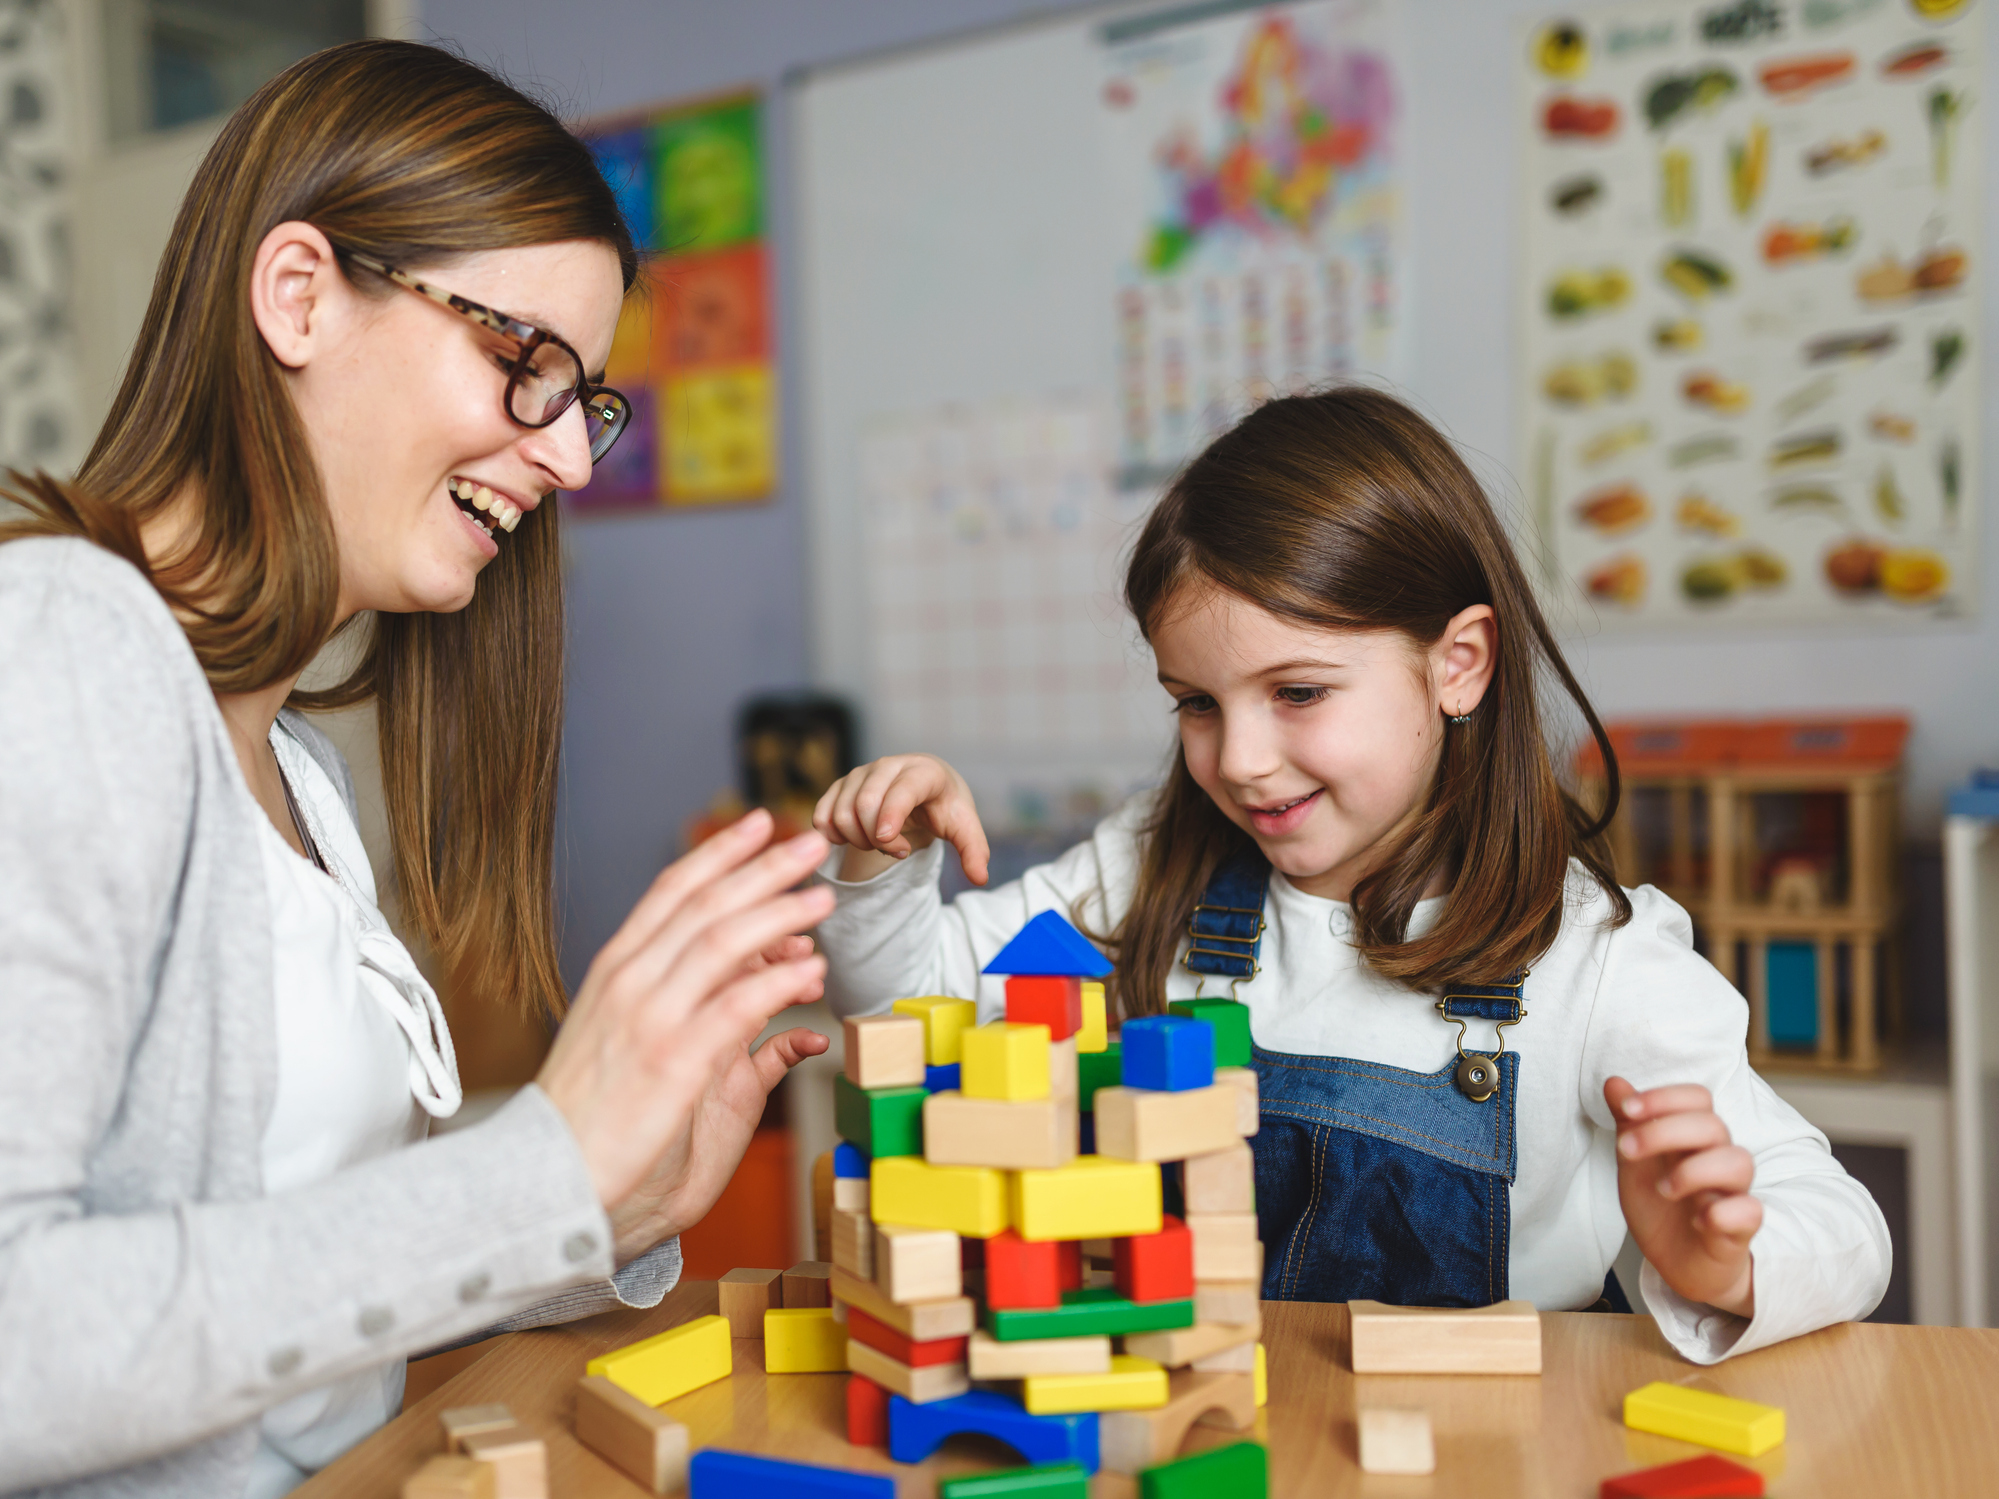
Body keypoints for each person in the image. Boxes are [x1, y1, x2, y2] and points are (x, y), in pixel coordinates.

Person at [0, 41, 833, 1497]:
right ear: (299, 295)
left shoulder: (302, 770)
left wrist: (610, 1195)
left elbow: (296, 1278)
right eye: (524, 363)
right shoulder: (61, 651)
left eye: (587, 398)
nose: (571, 457)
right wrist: (540, 1170)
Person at [811, 386, 1890, 1363]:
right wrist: (879, 862)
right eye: (1195, 701)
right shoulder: (1148, 865)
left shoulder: (1594, 957)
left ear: (1456, 664)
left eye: (1298, 691)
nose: (1236, 759)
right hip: (1207, 1446)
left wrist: (1721, 1264)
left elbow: (1845, 1226)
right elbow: (909, 1004)